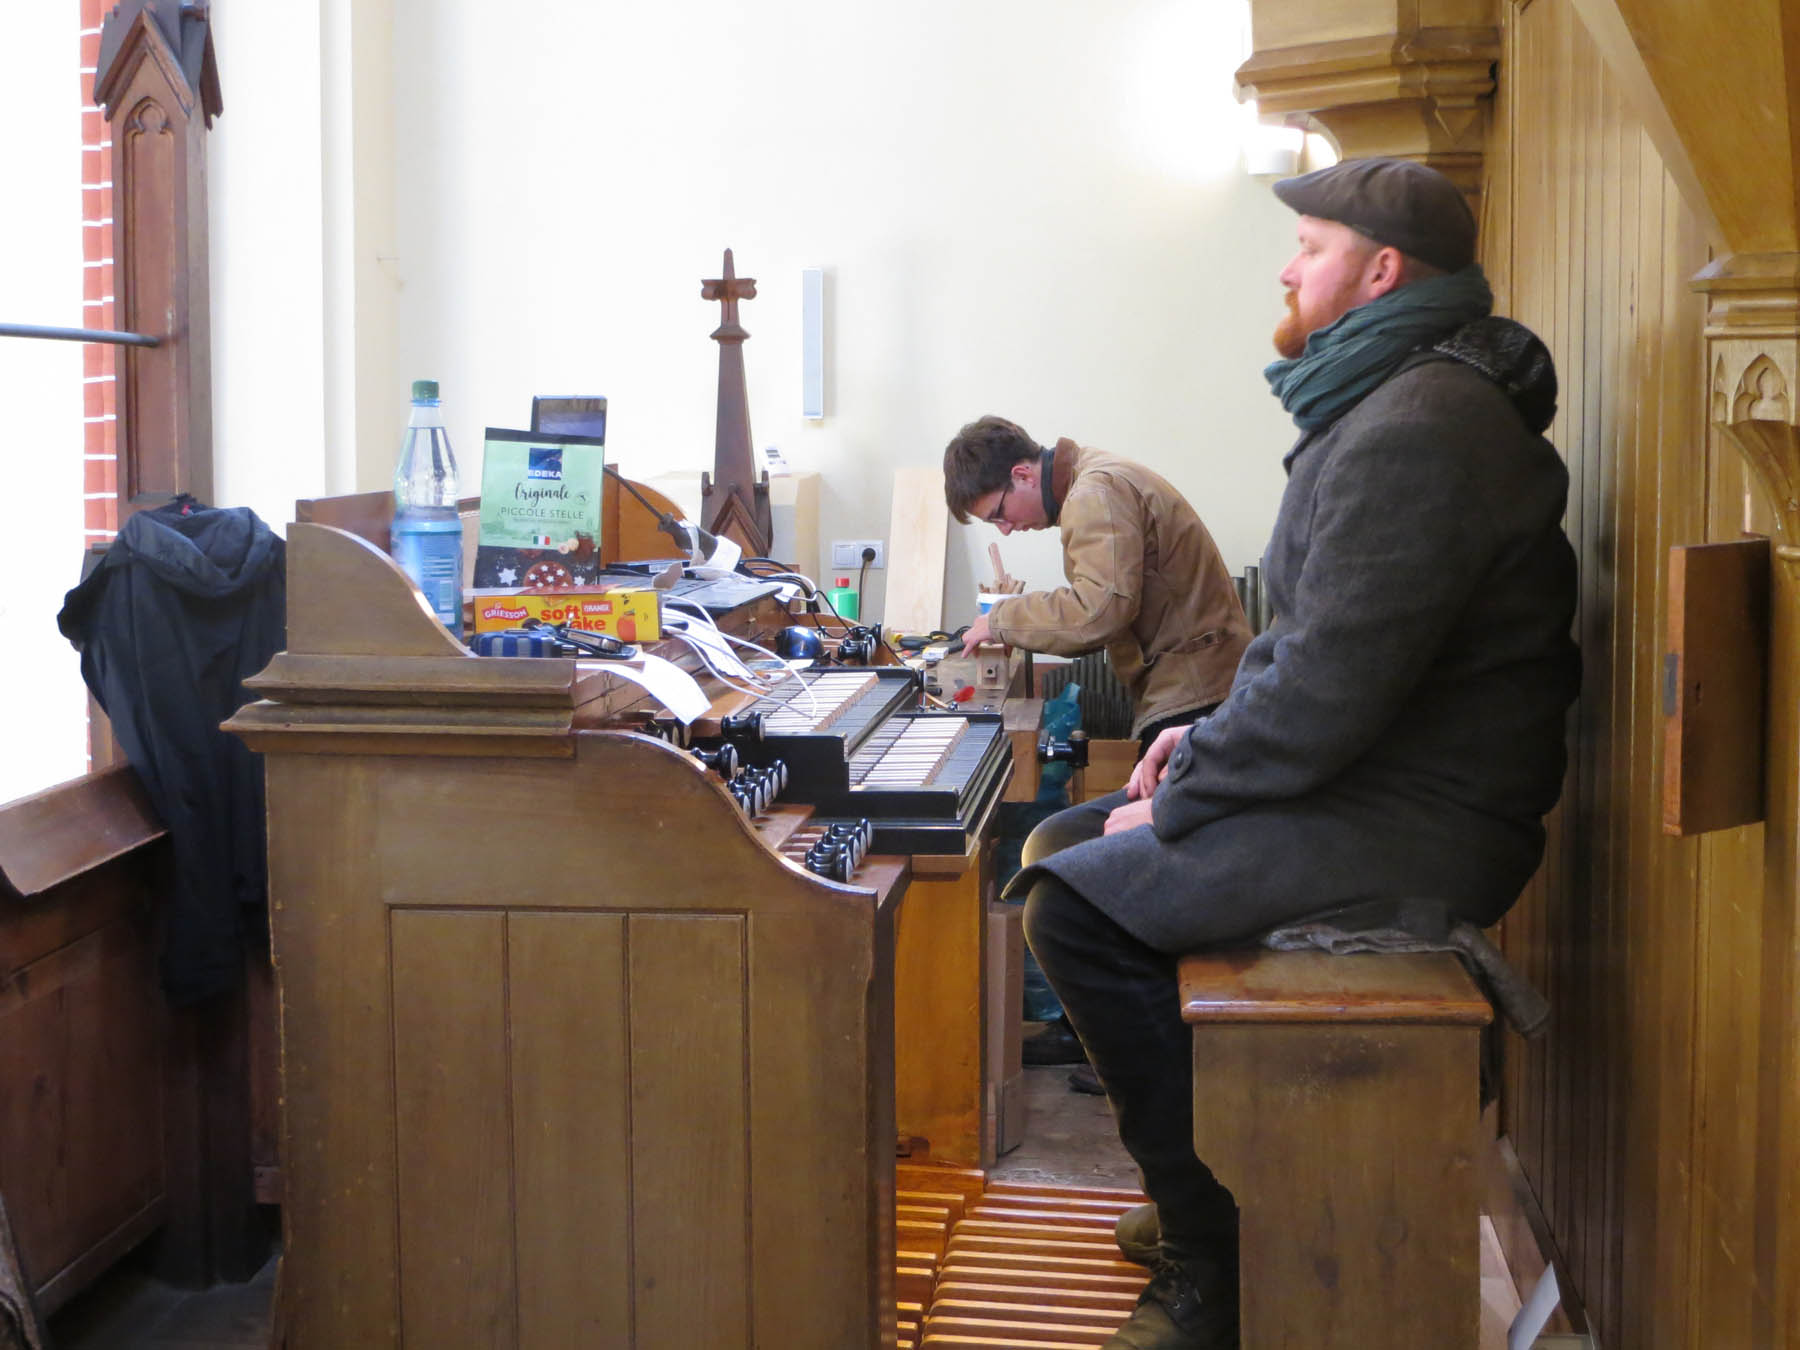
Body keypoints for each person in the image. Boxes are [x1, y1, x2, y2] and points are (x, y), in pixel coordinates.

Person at [1008, 157, 1581, 1350]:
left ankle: (1214, 1254)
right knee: (1067, 840)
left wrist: (1183, 802)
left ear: (1380, 271)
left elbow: (1327, 693)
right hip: (1377, 783)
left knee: (1074, 904)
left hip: (1422, 818)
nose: (1286, 264)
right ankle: (1200, 1191)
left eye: (1309, 245)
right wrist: (1197, 749)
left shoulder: (1421, 428)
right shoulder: (1395, 404)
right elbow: (1310, 649)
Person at [944, 419, 1253, 1084]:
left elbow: (1098, 612)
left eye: (1000, 512)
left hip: (1194, 700)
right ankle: (1095, 1033)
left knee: (1134, 874)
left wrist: (999, 621)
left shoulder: (1094, 492)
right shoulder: (1096, 482)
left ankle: (1138, 1047)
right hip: (1185, 692)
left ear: (1024, 475)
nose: (1006, 529)